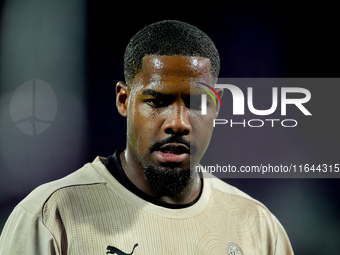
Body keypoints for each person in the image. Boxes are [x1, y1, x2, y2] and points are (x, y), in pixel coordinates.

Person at [0, 20, 294, 254]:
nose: (178, 123)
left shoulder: (257, 225)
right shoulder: (49, 216)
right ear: (124, 100)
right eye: (158, 101)